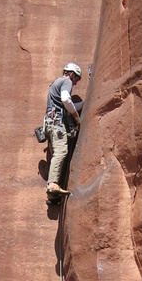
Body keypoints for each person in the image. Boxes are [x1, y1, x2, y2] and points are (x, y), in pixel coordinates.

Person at [45, 63, 83, 196]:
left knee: (57, 153)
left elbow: (67, 103)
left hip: (51, 124)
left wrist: (85, 104)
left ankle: (53, 194)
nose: (75, 83)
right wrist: (75, 116)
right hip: (57, 124)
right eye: (76, 79)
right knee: (61, 151)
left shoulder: (56, 83)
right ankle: (52, 184)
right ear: (72, 74)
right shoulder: (67, 82)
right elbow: (66, 99)